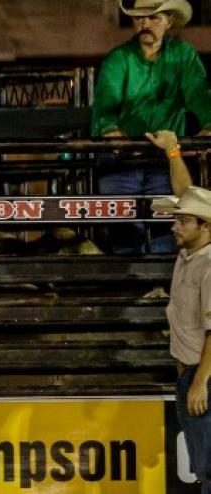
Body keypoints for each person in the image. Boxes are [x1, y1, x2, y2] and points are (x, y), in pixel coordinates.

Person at [94, 0, 211, 255]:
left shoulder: (182, 55)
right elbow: (105, 105)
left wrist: (208, 127)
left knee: (170, 232)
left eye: (153, 18)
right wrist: (111, 131)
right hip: (124, 159)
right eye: (139, 19)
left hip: (162, 159)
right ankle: (135, 290)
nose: (144, 24)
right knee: (125, 233)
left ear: (169, 21)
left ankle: (162, 289)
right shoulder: (119, 58)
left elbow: (200, 96)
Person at [148, 130, 211, 492]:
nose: (175, 226)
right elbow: (189, 195)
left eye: (183, 222)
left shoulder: (207, 265)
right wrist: (173, 152)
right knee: (204, 465)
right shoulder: (192, 252)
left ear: (204, 227)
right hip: (191, 375)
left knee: (209, 468)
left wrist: (200, 382)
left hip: (203, 378)